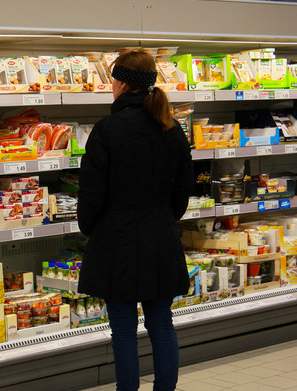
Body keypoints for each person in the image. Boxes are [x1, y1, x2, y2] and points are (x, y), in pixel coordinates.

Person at [77, 49, 193, 391]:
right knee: (161, 323)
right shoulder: (171, 129)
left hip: (116, 240)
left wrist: (92, 228)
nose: (110, 84)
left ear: (123, 83)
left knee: (123, 329)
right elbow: (183, 188)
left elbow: (92, 191)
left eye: (112, 78)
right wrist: (161, 218)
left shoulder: (107, 130)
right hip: (160, 237)